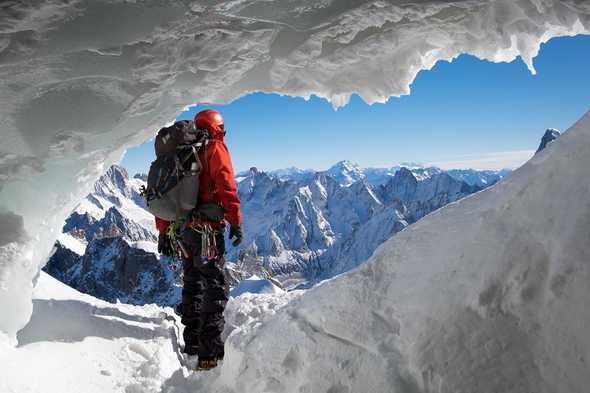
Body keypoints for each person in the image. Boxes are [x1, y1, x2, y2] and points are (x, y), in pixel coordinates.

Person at [155, 109, 243, 370]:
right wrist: (236, 222)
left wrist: (163, 230)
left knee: (192, 282)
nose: (223, 133)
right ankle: (209, 355)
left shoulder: (180, 152)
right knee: (214, 286)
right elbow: (227, 187)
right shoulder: (214, 148)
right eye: (222, 128)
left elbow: (166, 195)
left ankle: (192, 343)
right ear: (216, 127)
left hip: (182, 231)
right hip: (207, 233)